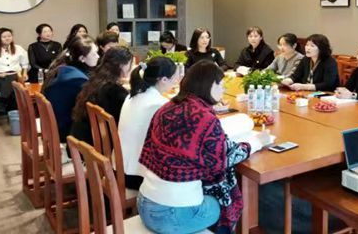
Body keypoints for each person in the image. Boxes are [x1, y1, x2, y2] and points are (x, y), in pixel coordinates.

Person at [138, 60, 270, 234]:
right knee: (222, 202)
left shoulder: (166, 108)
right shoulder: (204, 118)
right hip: (174, 215)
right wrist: (257, 142)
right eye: (221, 84)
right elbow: (224, 158)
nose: (223, 89)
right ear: (209, 85)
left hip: (144, 203)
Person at [118, 57, 179, 190]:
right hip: (136, 176)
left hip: (119, 166)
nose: (176, 81)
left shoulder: (133, 94)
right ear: (163, 79)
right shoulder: (159, 104)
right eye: (174, 78)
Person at [70, 46, 133, 145]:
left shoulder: (94, 80)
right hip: (95, 145)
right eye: (130, 64)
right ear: (122, 65)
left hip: (80, 140)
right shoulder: (115, 92)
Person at [42, 35, 99, 142]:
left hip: (55, 124)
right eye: (94, 53)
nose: (98, 56)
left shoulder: (64, 69)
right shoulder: (77, 80)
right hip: (66, 131)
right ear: (82, 58)